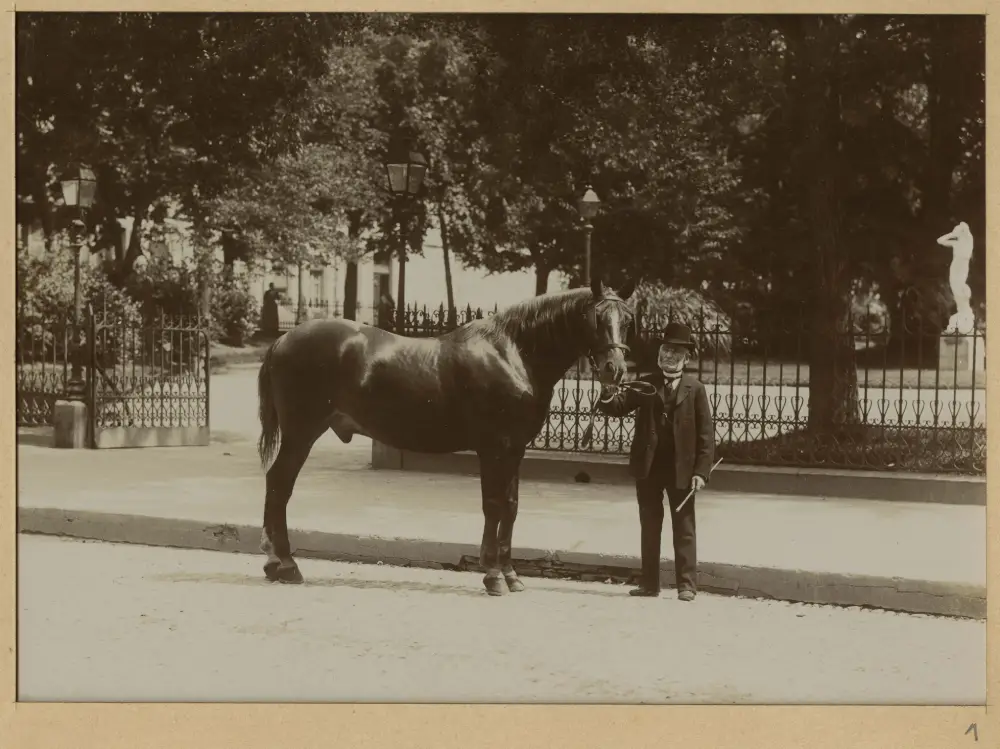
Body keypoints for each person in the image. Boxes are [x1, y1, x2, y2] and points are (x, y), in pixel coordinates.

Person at [595, 321, 715, 601]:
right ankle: (650, 584)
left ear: (687, 357)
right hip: (648, 468)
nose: (669, 356)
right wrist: (606, 390)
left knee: (684, 528)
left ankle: (686, 585)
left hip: (681, 470)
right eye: (665, 350)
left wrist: (701, 472)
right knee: (650, 526)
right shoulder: (646, 383)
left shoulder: (695, 389)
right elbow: (618, 407)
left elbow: (706, 436)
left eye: (676, 352)